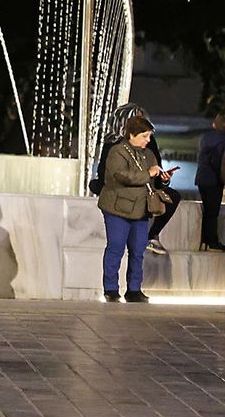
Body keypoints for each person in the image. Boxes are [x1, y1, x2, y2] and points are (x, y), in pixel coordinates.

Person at [97, 115, 169, 302]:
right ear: (131, 134)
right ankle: (111, 289)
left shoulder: (148, 154)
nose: (148, 140)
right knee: (116, 248)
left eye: (149, 136)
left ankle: (134, 289)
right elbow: (123, 176)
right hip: (117, 208)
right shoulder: (117, 152)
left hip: (141, 209)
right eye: (144, 136)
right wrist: (148, 173)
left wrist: (163, 178)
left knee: (138, 251)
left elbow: (151, 178)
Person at [91, 103, 178, 255]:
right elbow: (107, 173)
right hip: (122, 188)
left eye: (141, 118)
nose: (140, 123)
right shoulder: (113, 144)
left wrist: (163, 179)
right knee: (116, 249)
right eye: (135, 119)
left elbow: (156, 173)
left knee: (173, 196)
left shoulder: (149, 142)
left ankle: (151, 237)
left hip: (146, 186)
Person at [198, 113, 225, 252]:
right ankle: (212, 242)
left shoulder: (207, 137)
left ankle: (206, 241)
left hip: (202, 178)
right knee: (212, 212)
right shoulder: (222, 139)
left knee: (209, 211)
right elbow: (219, 163)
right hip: (214, 180)